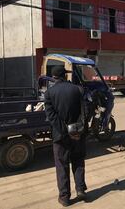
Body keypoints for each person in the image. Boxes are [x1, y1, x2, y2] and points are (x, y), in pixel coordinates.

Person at [44, 66, 88, 207]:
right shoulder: (78, 89)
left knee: (62, 166)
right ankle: (80, 190)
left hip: (60, 137)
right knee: (78, 161)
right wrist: (77, 130)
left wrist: (64, 131)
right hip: (77, 134)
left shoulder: (49, 93)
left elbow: (52, 117)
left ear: (54, 78)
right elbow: (85, 112)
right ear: (65, 76)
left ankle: (64, 197)